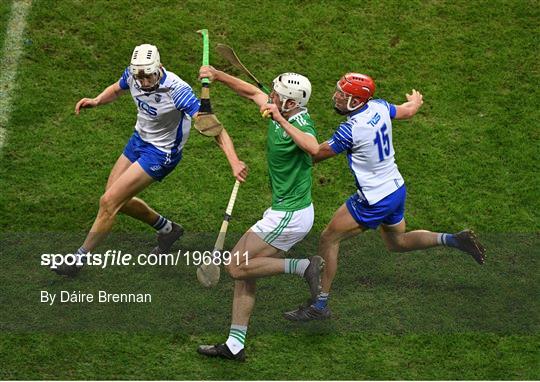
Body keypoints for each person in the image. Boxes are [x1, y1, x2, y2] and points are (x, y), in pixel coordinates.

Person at [283, 73, 486, 321]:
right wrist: (415, 102)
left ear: (356, 101)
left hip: (373, 199)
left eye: (342, 95)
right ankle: (454, 240)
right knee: (396, 242)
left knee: (328, 238)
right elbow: (407, 111)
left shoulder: (351, 129)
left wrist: (287, 125)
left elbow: (314, 154)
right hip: (396, 189)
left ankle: (320, 305)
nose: (336, 97)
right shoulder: (378, 105)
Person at [53, 44, 247, 276]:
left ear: (159, 68)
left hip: (161, 153)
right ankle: (168, 229)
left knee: (108, 203)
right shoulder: (133, 74)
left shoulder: (177, 90)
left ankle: (78, 259)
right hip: (138, 140)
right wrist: (97, 100)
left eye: (149, 76)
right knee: (116, 201)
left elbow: (214, 128)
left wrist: (234, 161)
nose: (144, 83)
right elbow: (117, 89)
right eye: (140, 77)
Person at [195, 66, 324, 361]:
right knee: (247, 273)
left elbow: (313, 147)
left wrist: (280, 118)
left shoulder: (298, 122)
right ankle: (235, 344)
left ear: (290, 104)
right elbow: (251, 92)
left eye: (277, 95)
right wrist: (218, 75)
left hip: (290, 216)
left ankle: (303, 267)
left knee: (236, 266)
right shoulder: (280, 107)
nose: (270, 95)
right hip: (285, 210)